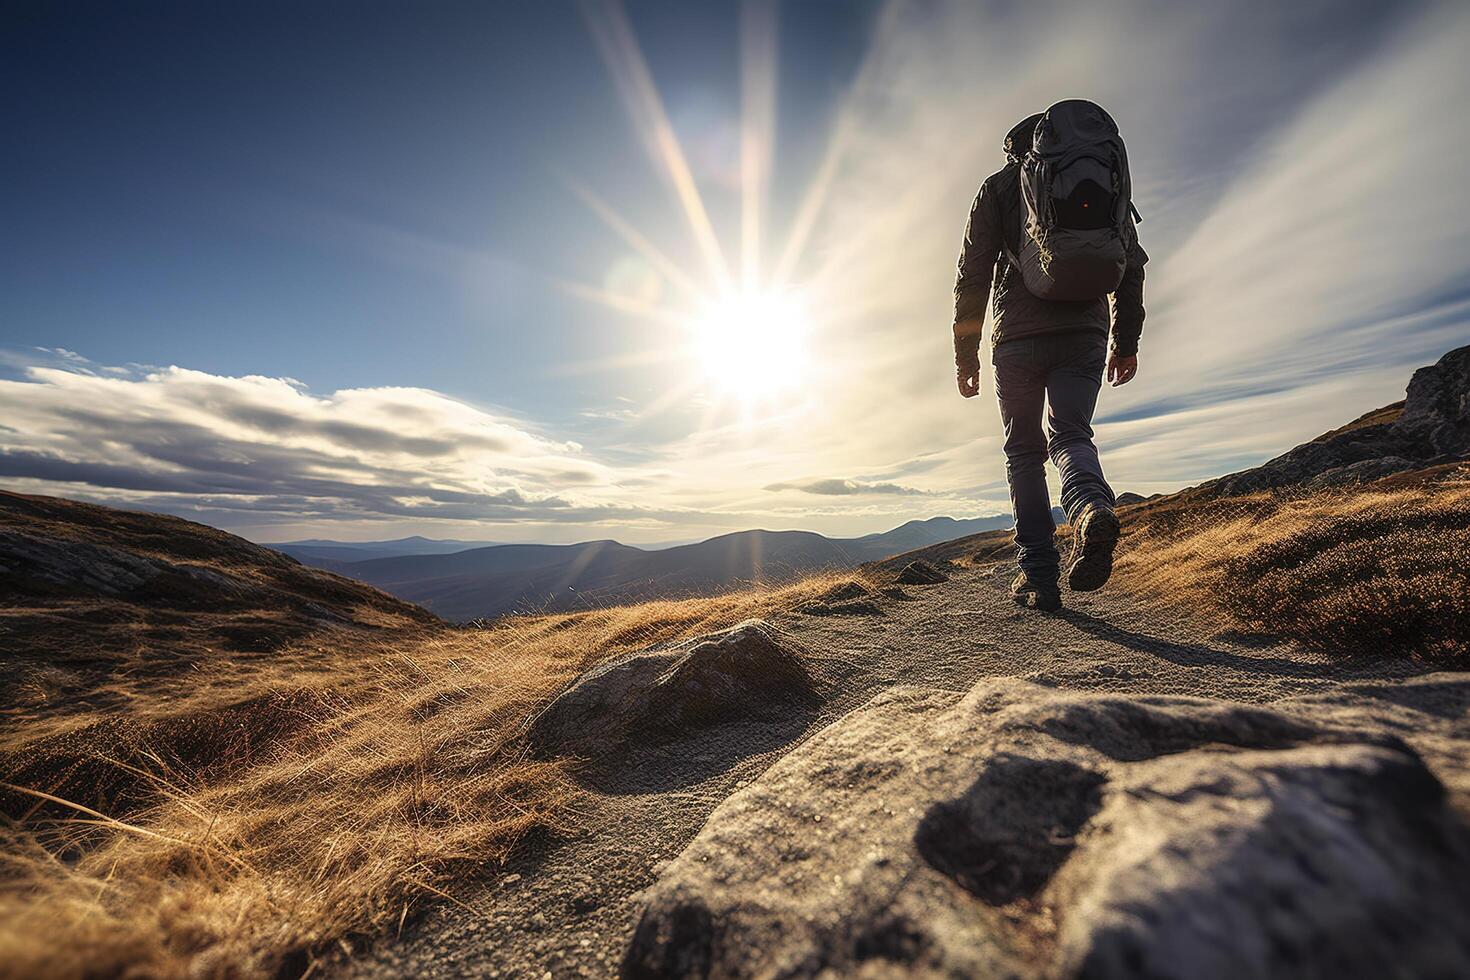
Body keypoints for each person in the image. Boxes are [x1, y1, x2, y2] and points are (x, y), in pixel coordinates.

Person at [952, 105, 1147, 612]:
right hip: (1085, 331)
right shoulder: (1105, 180)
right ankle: (1088, 511)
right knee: (1071, 435)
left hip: (1017, 337)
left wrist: (965, 356)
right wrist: (1126, 342)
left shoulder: (998, 188)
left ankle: (1038, 575)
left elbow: (971, 276)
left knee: (1024, 452)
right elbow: (1130, 265)